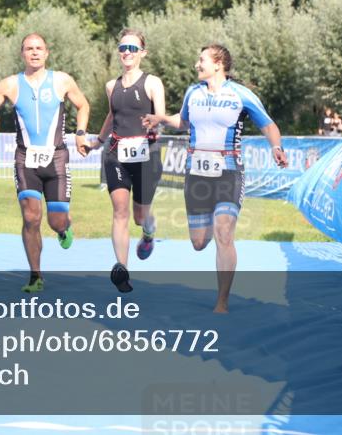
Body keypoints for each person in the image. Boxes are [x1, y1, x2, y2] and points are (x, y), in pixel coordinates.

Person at [142, 44, 287, 313]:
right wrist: (161, 118)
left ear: (218, 64)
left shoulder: (240, 94)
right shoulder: (193, 92)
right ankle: (210, 225)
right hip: (196, 174)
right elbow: (184, 122)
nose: (197, 65)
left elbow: (268, 125)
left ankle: (222, 301)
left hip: (228, 171)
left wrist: (276, 147)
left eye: (202, 60)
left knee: (224, 233)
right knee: (198, 243)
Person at [0, 33, 90, 293]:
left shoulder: (62, 80)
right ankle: (35, 275)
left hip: (56, 159)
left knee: (56, 221)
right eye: (29, 48)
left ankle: (64, 228)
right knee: (31, 217)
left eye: (39, 48)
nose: (34, 52)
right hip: (26, 159)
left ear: (46, 53)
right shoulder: (10, 84)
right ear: (22, 53)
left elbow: (83, 105)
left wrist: (80, 133)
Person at [88, 29, 165, 293]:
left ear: (143, 53)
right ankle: (122, 269)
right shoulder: (112, 86)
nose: (127, 52)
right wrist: (98, 140)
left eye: (132, 48)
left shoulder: (152, 83)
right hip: (116, 154)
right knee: (120, 211)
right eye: (123, 48)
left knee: (140, 216)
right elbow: (112, 116)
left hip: (146, 155)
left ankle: (149, 233)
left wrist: (155, 122)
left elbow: (160, 115)